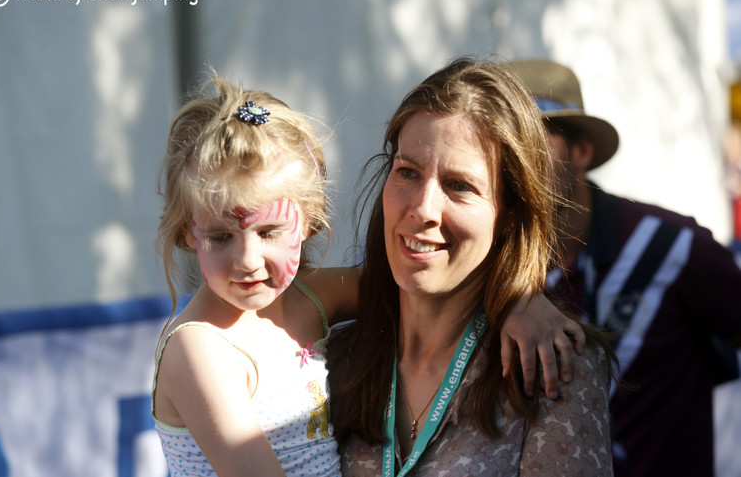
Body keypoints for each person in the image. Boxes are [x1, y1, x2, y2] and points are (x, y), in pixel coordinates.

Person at [151, 73, 588, 476]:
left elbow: (442, 281)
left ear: (307, 221)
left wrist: (522, 299)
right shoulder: (199, 348)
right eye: (220, 237)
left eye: (269, 231)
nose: (247, 259)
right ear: (188, 233)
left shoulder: (307, 298)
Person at [328, 57, 615, 476]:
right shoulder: (334, 360)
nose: (423, 208)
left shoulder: (552, 368)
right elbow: (235, 291)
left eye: (459, 186)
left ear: (511, 215)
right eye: (407, 172)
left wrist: (515, 291)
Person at [508, 59, 741, 477]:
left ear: (582, 151)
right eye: (499, 146)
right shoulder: (485, 268)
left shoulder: (671, 246)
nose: (512, 163)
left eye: (530, 140)